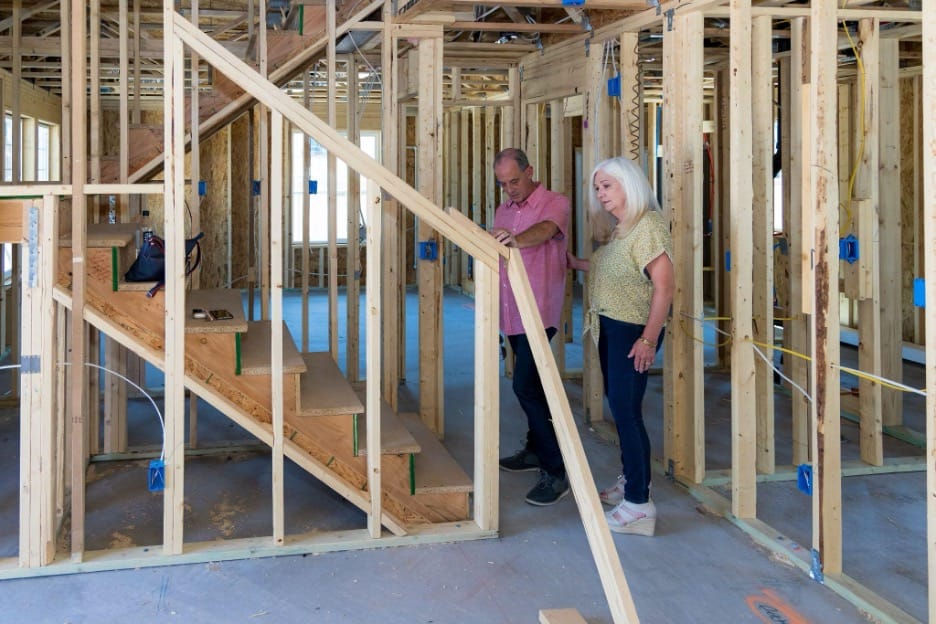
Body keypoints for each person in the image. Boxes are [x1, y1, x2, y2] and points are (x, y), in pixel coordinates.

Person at [567, 156, 674, 536]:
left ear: (629, 185)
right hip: (612, 327)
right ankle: (631, 482)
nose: (600, 194)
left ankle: (639, 506)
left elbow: (664, 288)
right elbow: (614, 269)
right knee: (620, 408)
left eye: (607, 186)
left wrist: (648, 339)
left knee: (627, 414)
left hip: (632, 332)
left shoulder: (648, 227)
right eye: (597, 188)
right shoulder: (622, 228)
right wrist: (574, 263)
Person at [490, 147, 571, 506]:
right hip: (512, 314)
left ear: (530, 171)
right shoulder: (504, 210)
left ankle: (556, 471)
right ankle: (536, 449)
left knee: (524, 386)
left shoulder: (554, 202)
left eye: (515, 181)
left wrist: (515, 241)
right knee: (532, 387)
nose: (510, 189)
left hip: (539, 312)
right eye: (504, 184)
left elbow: (546, 230)